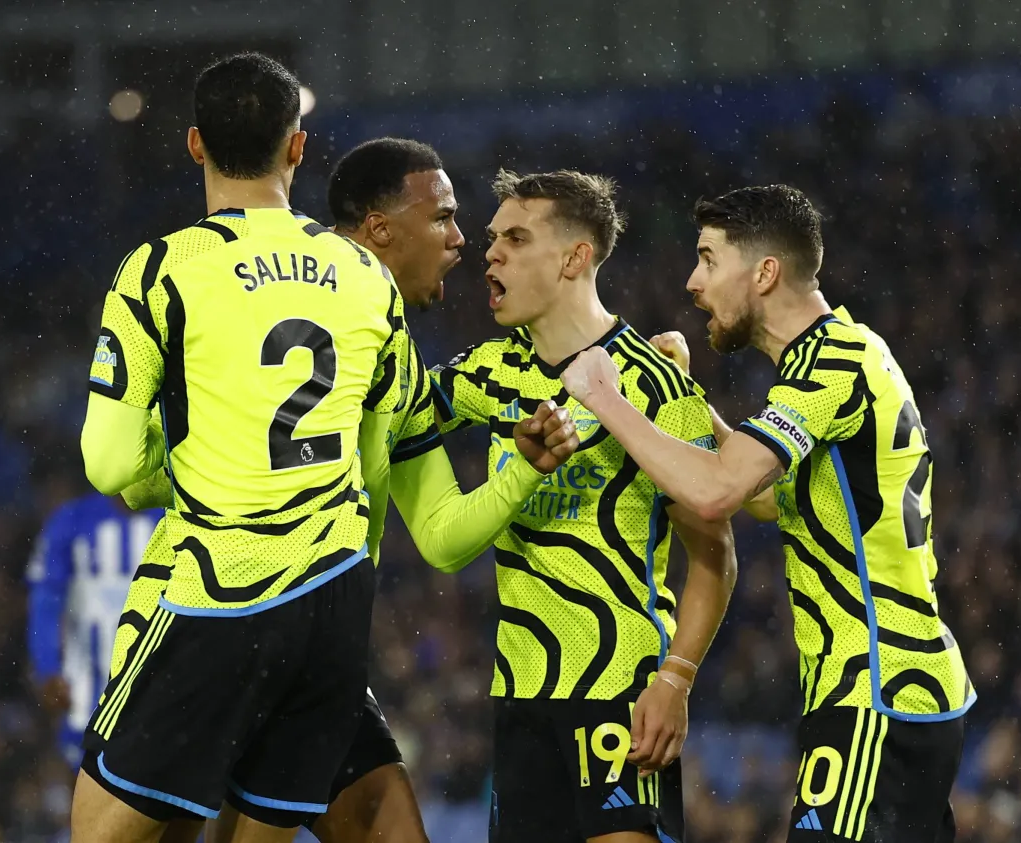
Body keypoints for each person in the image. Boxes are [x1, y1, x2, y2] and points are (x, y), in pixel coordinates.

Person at [67, 51, 545, 843]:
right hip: (331, 603)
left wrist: (172, 463)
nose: (461, 239)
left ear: (195, 145)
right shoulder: (366, 279)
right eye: (444, 220)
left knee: (102, 831)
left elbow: (110, 464)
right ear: (297, 147)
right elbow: (399, 464)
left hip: (219, 591)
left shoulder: (162, 269)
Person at [561, 184, 974, 843]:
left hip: (874, 686)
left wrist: (605, 397)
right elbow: (760, 494)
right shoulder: (846, 351)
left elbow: (718, 492)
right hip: (898, 686)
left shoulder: (830, 364)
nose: (693, 282)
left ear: (765, 273)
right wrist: (687, 401)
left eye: (708, 259)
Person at [430, 169, 739, 843]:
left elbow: (714, 557)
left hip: (620, 688)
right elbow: (386, 410)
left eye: (516, 239)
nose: (491, 253)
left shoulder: (656, 383)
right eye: (492, 239)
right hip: (520, 693)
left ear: (575, 257)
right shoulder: (484, 371)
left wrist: (676, 680)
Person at [26, 492, 162, 771]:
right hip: (85, 693)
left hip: (159, 695)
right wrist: (48, 668)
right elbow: (45, 601)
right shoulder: (71, 521)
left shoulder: (173, 519)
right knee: (84, 786)